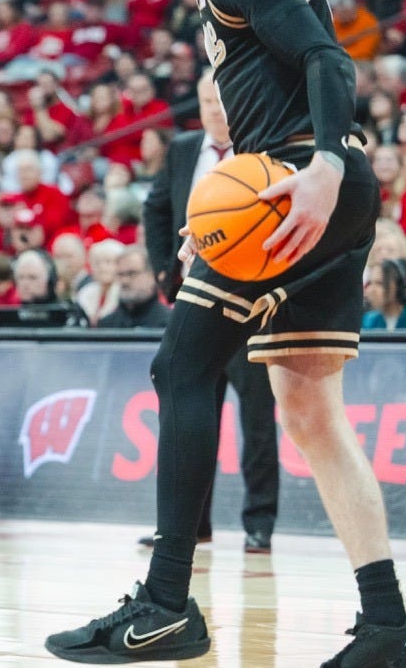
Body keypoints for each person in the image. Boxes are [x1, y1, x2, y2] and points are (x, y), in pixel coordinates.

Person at [47, 0, 406, 665]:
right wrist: (229, 212)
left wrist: (323, 164)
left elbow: (331, 62)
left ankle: (165, 605)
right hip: (303, 188)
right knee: (311, 411)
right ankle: (390, 622)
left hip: (297, 185)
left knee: (181, 366)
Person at [139, 68, 280, 555]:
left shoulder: (260, 150)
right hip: (194, 300)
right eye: (206, 101)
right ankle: (189, 524)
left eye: (221, 100)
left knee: (257, 421)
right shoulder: (183, 150)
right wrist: (164, 270)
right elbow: (155, 208)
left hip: (249, 302)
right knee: (187, 411)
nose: (215, 110)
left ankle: (260, 523)